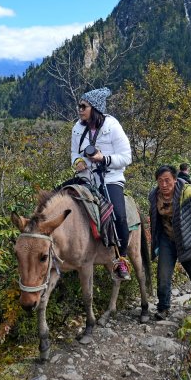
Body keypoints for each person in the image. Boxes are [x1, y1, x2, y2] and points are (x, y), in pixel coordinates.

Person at [71, 87, 132, 280]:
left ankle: (121, 259)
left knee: (119, 216)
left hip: (110, 178)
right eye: (79, 106)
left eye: (83, 106)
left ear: (95, 108)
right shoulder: (77, 128)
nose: (79, 110)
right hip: (86, 178)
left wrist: (103, 159)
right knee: (60, 196)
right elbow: (74, 153)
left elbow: (126, 157)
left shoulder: (112, 126)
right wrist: (78, 162)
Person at [149, 165, 191, 320]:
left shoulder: (189, 192)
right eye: (160, 181)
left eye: (167, 180)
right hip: (167, 240)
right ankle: (163, 308)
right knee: (163, 276)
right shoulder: (153, 195)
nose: (164, 184)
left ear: (175, 180)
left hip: (189, 240)